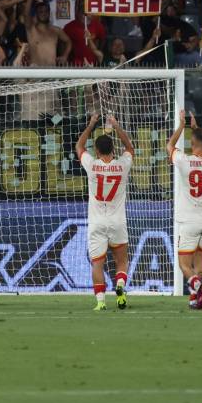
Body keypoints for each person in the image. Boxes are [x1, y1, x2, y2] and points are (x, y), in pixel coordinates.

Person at [76, 113, 134, 311]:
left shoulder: (92, 165)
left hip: (97, 222)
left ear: (96, 150)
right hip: (118, 221)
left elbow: (79, 147)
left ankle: (100, 302)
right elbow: (130, 148)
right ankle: (120, 286)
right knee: (122, 261)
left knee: (97, 264)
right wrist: (116, 125)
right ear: (112, 148)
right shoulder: (122, 166)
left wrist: (92, 123)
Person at [167, 110, 202, 309]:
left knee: (183, 264)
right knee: (200, 262)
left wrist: (182, 126)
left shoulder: (185, 161)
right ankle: (196, 300)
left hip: (190, 220)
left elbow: (170, 146)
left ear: (191, 143)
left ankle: (198, 287)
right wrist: (198, 129)